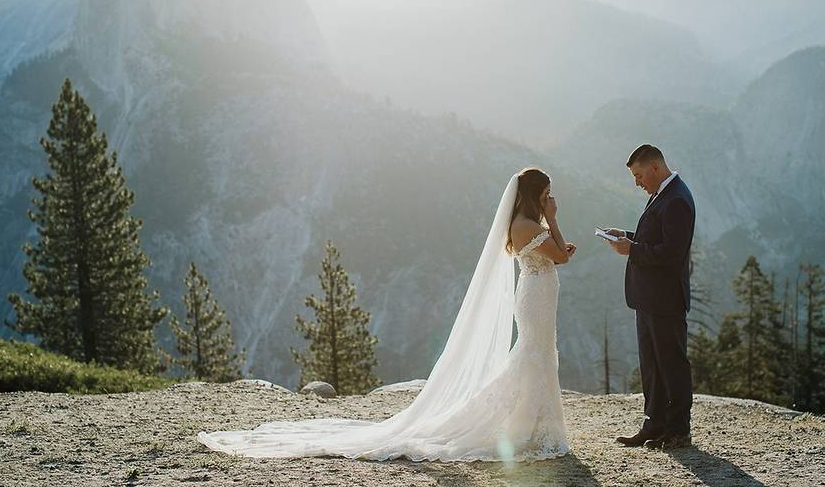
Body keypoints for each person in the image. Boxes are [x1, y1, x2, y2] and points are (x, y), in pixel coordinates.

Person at [197, 167, 577, 461]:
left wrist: (554, 228)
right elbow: (559, 256)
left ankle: (534, 423)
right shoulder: (527, 224)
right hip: (534, 297)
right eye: (547, 195)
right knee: (532, 355)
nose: (551, 199)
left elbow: (558, 256)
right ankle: (526, 426)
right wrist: (555, 220)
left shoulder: (530, 224)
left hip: (538, 293)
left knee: (538, 355)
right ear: (534, 196)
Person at [604, 144, 695, 449]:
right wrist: (629, 237)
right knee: (652, 365)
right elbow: (656, 239)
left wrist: (632, 250)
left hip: (666, 299)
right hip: (648, 298)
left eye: (639, 175)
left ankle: (678, 430)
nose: (637, 182)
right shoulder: (663, 195)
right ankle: (653, 424)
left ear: (656, 168)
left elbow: (671, 253)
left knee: (671, 364)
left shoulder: (678, 200)